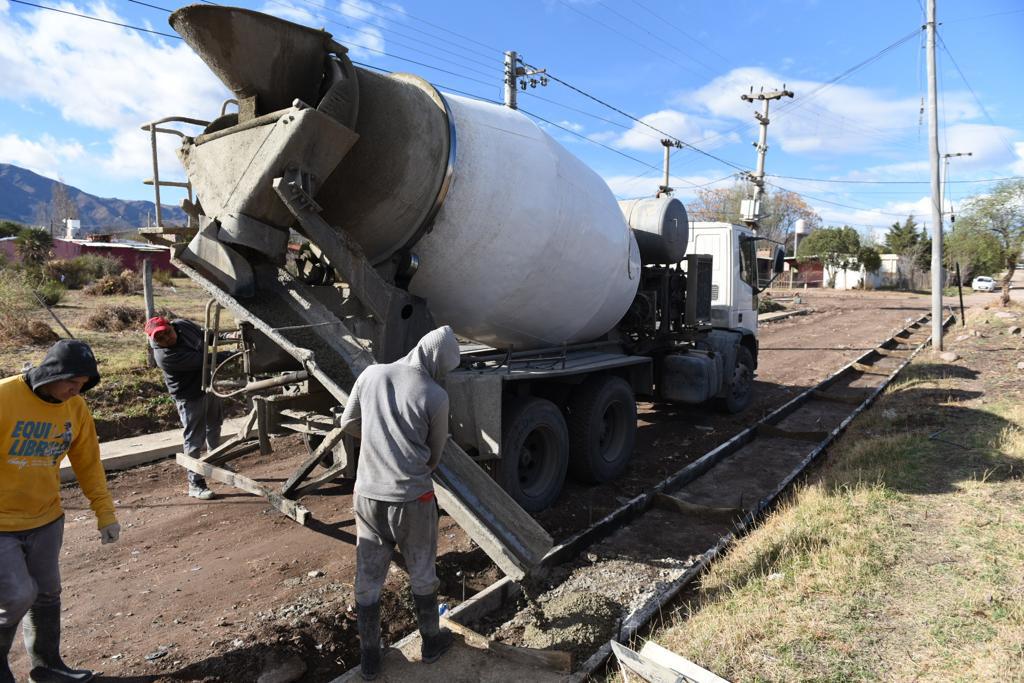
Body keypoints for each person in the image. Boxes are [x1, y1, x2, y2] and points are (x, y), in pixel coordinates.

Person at [338, 326, 461, 681]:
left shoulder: (371, 373)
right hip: (413, 498)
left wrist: (378, 440)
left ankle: (371, 660)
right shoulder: (435, 395)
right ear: (437, 359)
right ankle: (431, 644)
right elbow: (434, 455)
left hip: (367, 496)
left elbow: (348, 423)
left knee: (368, 576)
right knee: (422, 570)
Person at [0, 339, 120, 683]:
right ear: (51, 372)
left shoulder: (75, 408)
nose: (75, 390)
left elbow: (89, 464)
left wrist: (105, 513)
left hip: (46, 519)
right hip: (2, 522)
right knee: (16, 595)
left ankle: (47, 666)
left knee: (47, 594)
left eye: (82, 385)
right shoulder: (5, 398)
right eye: (72, 381)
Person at [145, 316, 223, 500]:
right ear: (153, 340)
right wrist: (237, 354)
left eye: (168, 333)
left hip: (208, 384)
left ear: (173, 326)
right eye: (160, 339)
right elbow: (206, 359)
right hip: (189, 396)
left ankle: (218, 460)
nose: (167, 340)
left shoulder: (183, 325)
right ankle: (195, 483)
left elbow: (207, 337)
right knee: (195, 439)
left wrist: (230, 336)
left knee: (215, 424)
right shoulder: (165, 356)